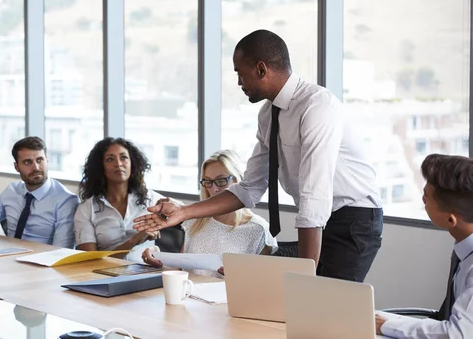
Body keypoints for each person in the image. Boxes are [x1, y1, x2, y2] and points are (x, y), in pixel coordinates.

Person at [134, 29, 383, 282]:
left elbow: (314, 196)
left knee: (327, 302)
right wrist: (184, 212)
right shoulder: (268, 115)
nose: (239, 83)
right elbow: (249, 188)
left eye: (240, 73)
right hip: (320, 218)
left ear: (261, 69)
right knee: (305, 304)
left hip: (353, 218)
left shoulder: (316, 107)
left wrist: (305, 279)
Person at [376, 154, 473, 338]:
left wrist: (387, 326)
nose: (422, 200)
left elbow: (458, 334)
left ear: (450, 219)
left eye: (426, 196)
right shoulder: (464, 249)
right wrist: (389, 322)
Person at [141, 150, 277, 278]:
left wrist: (240, 275)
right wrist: (157, 257)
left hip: (229, 299)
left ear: (237, 181)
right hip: (191, 295)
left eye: (221, 180)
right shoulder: (195, 222)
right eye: (208, 182)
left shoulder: (258, 229)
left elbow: (264, 281)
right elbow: (181, 271)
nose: (215, 188)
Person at [74, 137, 165, 260]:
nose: (118, 163)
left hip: (146, 272)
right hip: (104, 276)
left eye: (124, 157)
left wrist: (172, 204)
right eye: (110, 159)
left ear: (132, 163)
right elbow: (89, 261)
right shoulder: (86, 209)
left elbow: (183, 213)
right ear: (100, 167)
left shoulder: (151, 199)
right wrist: (134, 240)